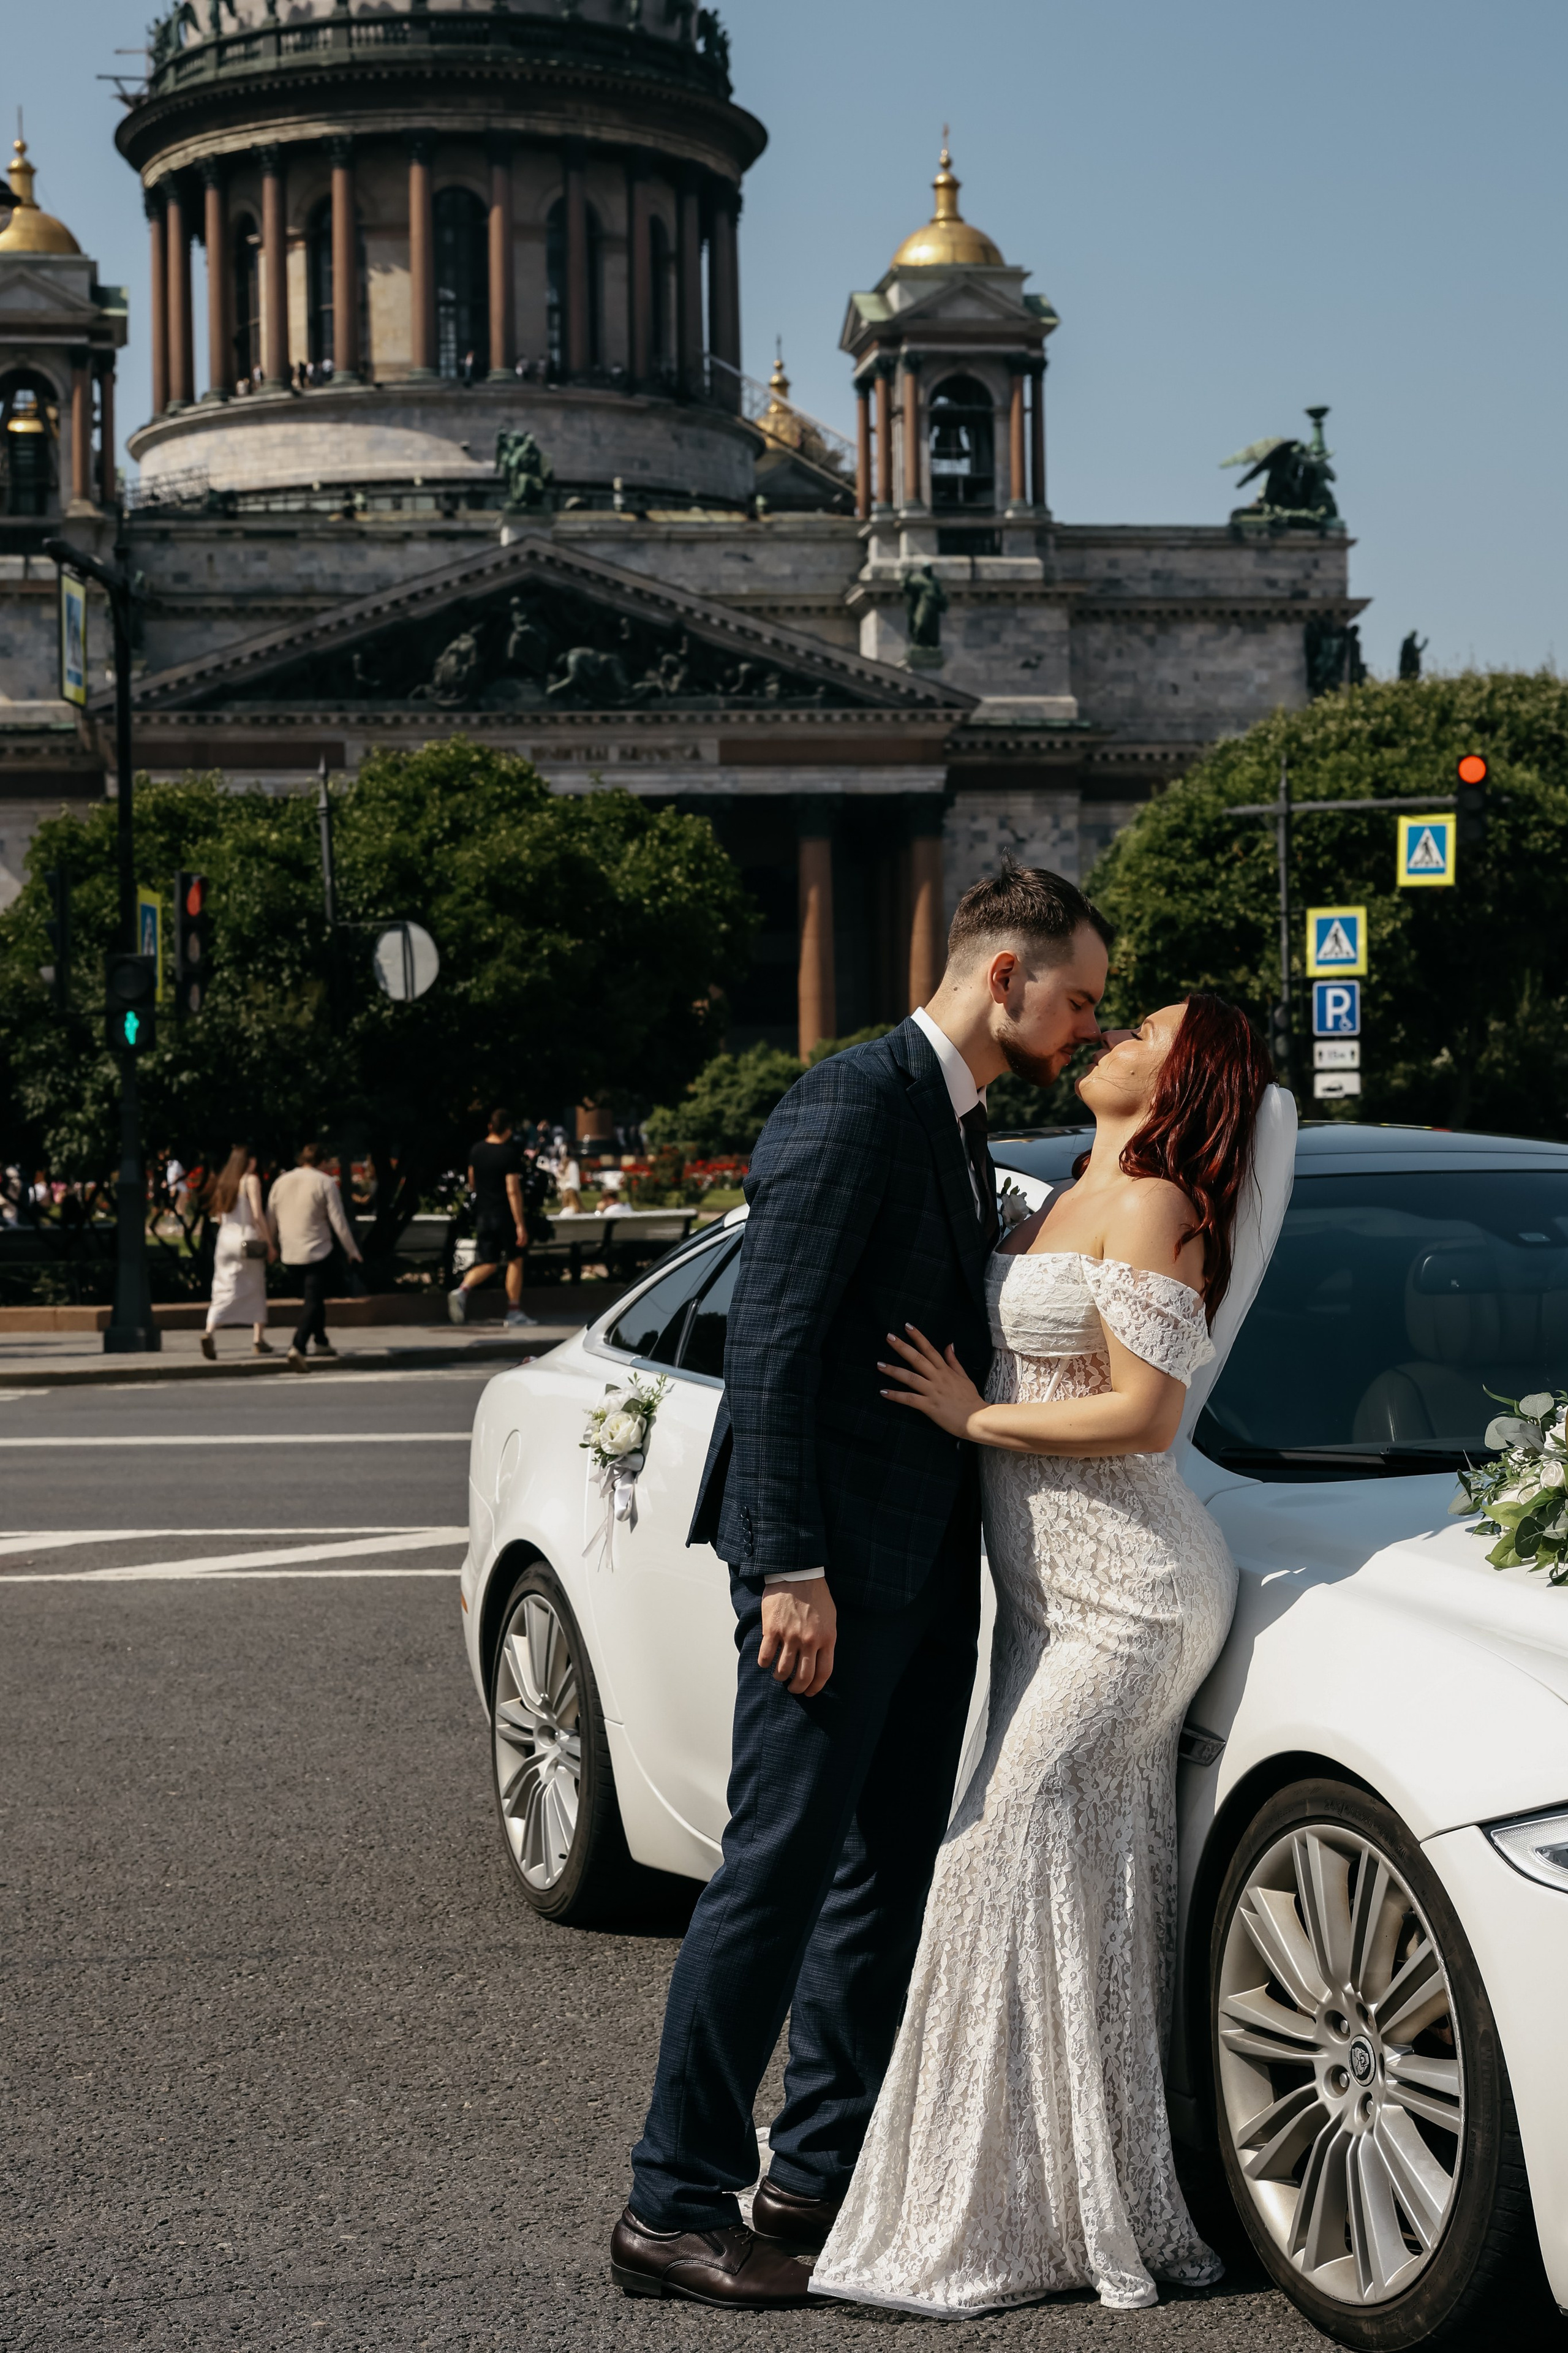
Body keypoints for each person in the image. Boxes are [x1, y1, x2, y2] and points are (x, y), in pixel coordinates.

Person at [612, 866, 1115, 2309]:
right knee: (771, 1874)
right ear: (1003, 972)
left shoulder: (953, 1121)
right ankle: (670, 2199)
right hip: (829, 1574)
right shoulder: (850, 1098)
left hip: (917, 1567)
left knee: (879, 1876)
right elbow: (767, 1347)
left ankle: (811, 2181)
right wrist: (787, 1566)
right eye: (1074, 998)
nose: (1083, 1027)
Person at [812, 996, 1280, 2316]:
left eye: (1139, 1029)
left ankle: (1030, 2207)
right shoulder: (1068, 1186)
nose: (1110, 1035)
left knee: (1003, 1845)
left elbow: (1141, 1417)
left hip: (1130, 1594)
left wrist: (976, 1418)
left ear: (1182, 1075)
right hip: (1044, 1600)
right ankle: (1041, 2198)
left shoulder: (1158, 1205)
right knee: (1057, 1874)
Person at [268, 1141, 364, 1373]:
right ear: (322, 1162)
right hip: (317, 1250)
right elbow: (338, 1221)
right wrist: (352, 1250)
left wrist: (272, 1245)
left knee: (314, 1296)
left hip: (289, 1251)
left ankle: (321, 1341)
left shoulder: (281, 1182)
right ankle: (298, 1346)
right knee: (312, 1300)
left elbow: (270, 1215)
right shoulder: (325, 1182)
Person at [450, 1109, 537, 1329]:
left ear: (490, 1126)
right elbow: (513, 1191)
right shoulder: (508, 1154)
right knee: (515, 1260)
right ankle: (514, 1311)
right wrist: (520, 1224)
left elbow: (472, 1180)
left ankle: (462, 1291)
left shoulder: (477, 1150)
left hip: (484, 1213)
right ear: (508, 1130)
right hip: (504, 1214)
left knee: (488, 1262)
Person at [200, 1145, 276, 1358]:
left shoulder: (225, 1182)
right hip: (246, 1240)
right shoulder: (250, 1180)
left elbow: (219, 1217)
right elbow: (257, 1214)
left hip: (225, 1241)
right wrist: (270, 1243)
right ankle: (258, 1339)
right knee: (256, 1286)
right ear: (249, 1161)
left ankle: (209, 1332)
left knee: (223, 1286)